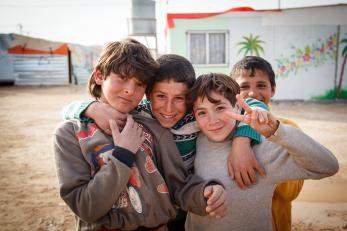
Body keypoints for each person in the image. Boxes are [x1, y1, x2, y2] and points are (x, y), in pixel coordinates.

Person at [62, 54, 267, 230]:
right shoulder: (138, 113)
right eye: (160, 96)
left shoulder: (197, 115)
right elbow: (67, 111)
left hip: (190, 201)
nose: (169, 109)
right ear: (148, 94)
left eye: (179, 98)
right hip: (151, 209)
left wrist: (242, 141)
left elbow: (251, 104)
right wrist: (92, 108)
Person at [185, 73, 339, 231]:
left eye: (220, 108)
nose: (212, 120)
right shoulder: (196, 139)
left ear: (238, 107)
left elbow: (328, 166)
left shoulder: (263, 150)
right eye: (202, 112)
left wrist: (278, 131)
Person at [230, 55, 303, 231]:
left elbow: (290, 193)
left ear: (273, 90)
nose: (253, 93)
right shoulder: (225, 130)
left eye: (261, 85)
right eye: (244, 86)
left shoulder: (287, 129)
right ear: (234, 93)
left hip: (274, 222)